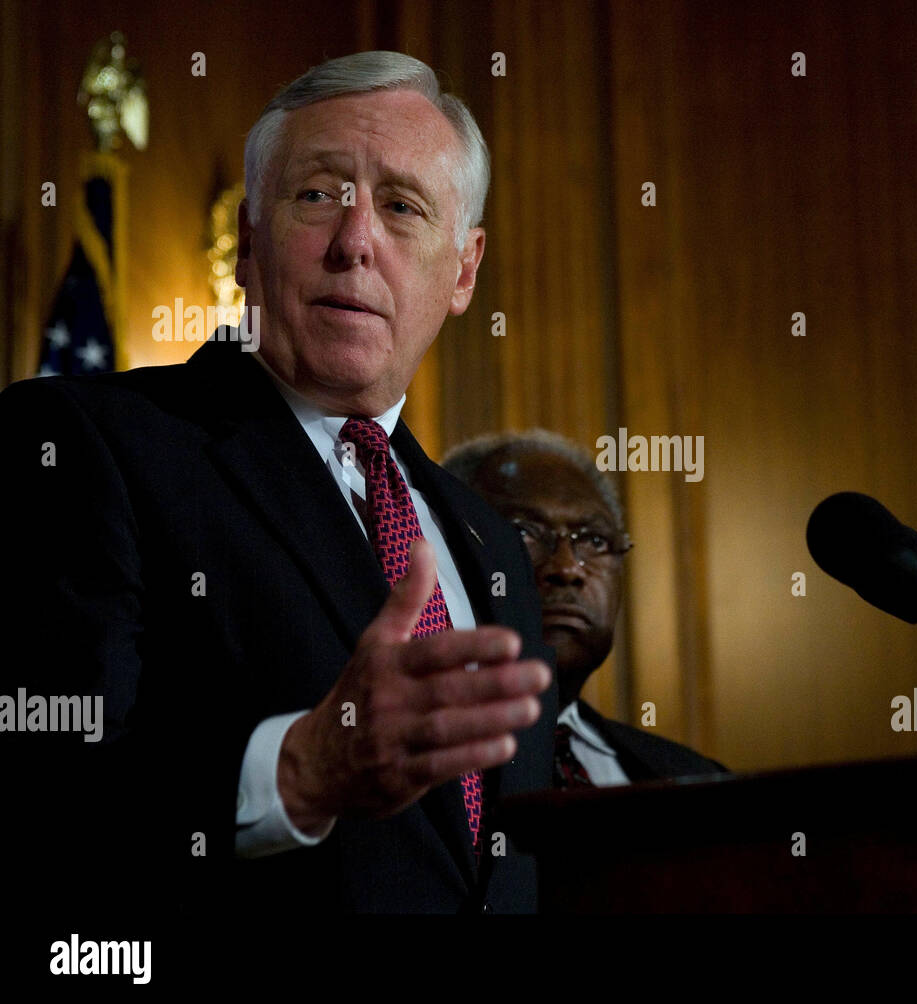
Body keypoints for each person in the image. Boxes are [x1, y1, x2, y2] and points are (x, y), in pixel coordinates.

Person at [0, 51, 554, 916]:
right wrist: (298, 773)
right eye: (319, 194)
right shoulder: (87, 444)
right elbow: (38, 780)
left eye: (402, 206)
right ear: (249, 244)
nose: (356, 240)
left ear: (465, 270)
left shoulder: (489, 542)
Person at [442, 430, 726, 786]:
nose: (566, 568)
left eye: (594, 540)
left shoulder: (697, 777)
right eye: (523, 533)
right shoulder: (398, 763)